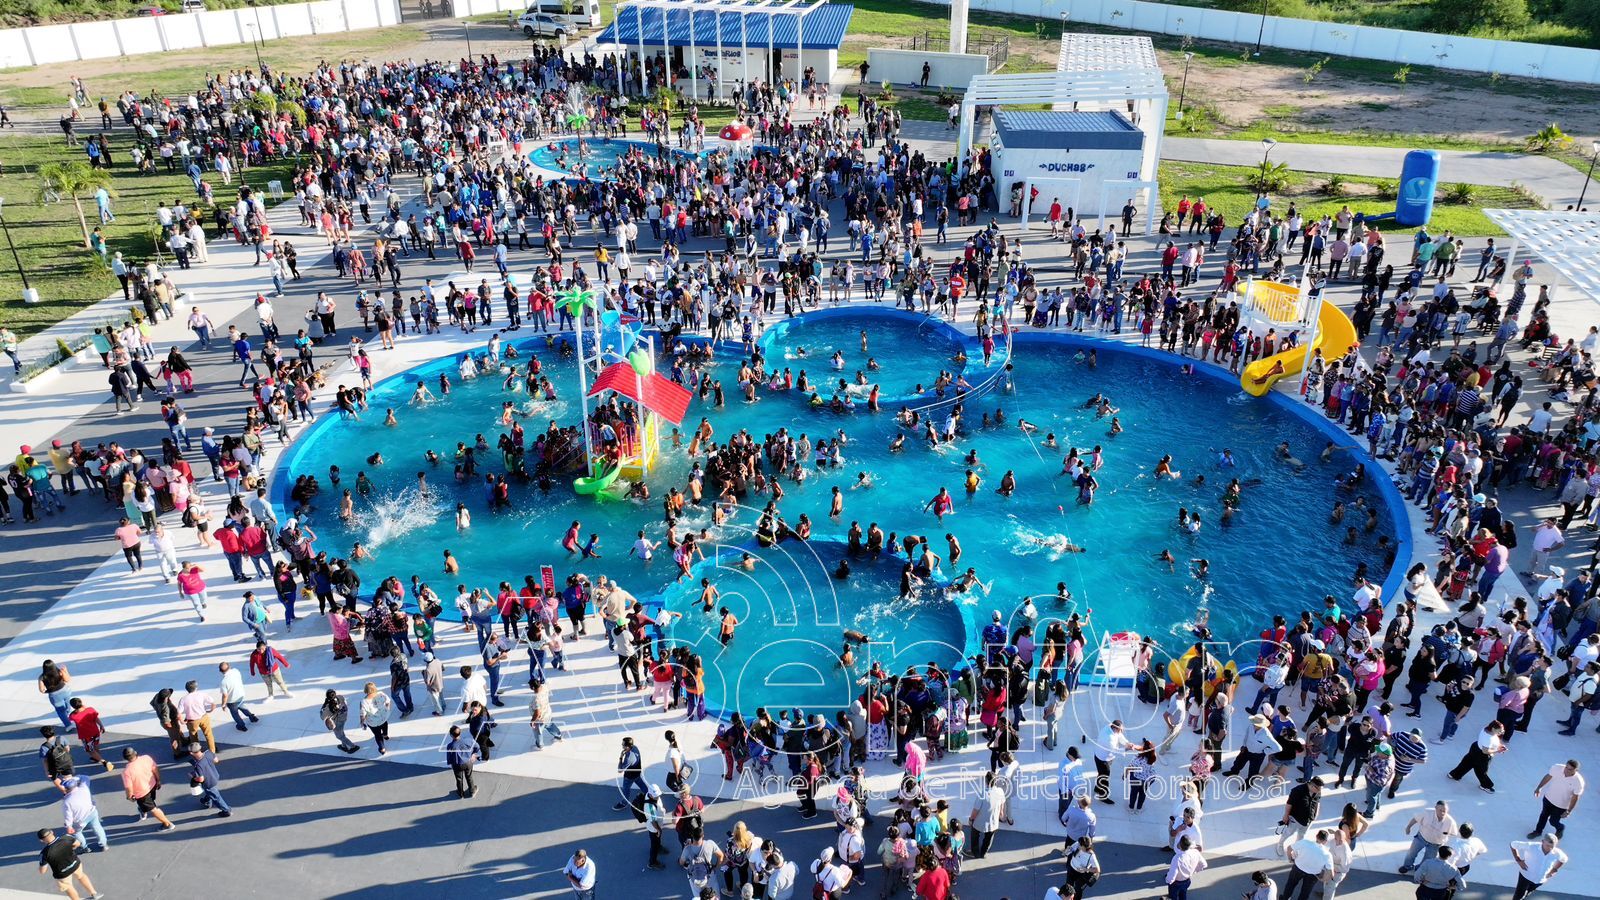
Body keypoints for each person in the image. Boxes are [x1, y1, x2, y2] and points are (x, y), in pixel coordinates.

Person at [120, 747, 176, 831]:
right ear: (135, 753)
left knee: (153, 809)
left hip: (142, 794)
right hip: (152, 785)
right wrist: (158, 780)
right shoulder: (146, 758)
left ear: (125, 758)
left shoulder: (126, 772)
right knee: (149, 801)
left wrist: (129, 796)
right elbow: (155, 769)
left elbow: (129, 787)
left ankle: (167, 824)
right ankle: (143, 810)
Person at [36, 829, 98, 900]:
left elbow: (42, 871)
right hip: (75, 864)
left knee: (68, 887)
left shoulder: (44, 853)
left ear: (41, 840)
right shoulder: (66, 837)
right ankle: (94, 893)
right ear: (52, 832)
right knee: (81, 876)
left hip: (62, 873)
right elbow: (77, 844)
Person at [1529, 759, 1583, 839]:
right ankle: (1537, 831)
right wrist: (1539, 787)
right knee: (1543, 815)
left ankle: (1560, 828)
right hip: (1548, 798)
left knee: (1553, 821)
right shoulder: (1557, 768)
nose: (1567, 770)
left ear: (1576, 770)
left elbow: (1575, 797)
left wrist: (1568, 811)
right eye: (1566, 767)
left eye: (1570, 769)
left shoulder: (1578, 782)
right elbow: (1548, 777)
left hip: (1561, 805)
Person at [1398, 801, 1456, 874]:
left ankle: (1420, 869)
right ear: (1435, 808)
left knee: (1428, 860)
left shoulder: (1450, 822)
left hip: (1435, 844)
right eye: (1440, 810)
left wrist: (1447, 834)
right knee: (1411, 853)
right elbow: (1416, 819)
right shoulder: (1427, 813)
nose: (1442, 813)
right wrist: (1408, 827)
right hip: (1421, 838)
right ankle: (1407, 866)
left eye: (1444, 811)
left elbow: (1454, 833)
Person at [59, 775, 108, 852]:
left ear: (66, 789)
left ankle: (84, 847)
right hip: (92, 812)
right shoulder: (84, 788)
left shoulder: (67, 801)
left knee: (77, 833)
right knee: (97, 827)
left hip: (79, 821)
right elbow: (85, 777)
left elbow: (68, 816)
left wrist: (69, 826)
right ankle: (104, 844)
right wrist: (72, 778)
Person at [1509, 834, 1567, 900]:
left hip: (1540, 880)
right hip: (1526, 876)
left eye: (1552, 846)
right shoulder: (1531, 846)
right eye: (1548, 845)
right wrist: (1518, 860)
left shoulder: (1557, 853)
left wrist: (1554, 869)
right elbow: (1513, 844)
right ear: (1542, 841)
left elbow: (1564, 859)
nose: (1550, 848)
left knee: (1527, 893)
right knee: (1518, 896)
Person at [1281, 829, 1332, 900]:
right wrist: (1322, 879)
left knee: (1290, 885)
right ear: (1325, 841)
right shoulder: (1327, 854)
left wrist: (1290, 859)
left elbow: (1289, 848)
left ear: (1316, 836)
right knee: (1305, 893)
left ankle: (1285, 898)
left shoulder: (1305, 843)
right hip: (1313, 875)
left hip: (1298, 868)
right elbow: (1331, 873)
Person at [966, 770, 1005, 858]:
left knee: (975, 836)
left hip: (980, 822)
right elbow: (1002, 808)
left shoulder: (982, 793)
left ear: (986, 781)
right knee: (988, 839)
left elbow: (976, 810)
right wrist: (1000, 816)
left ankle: (974, 852)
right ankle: (983, 853)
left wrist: (971, 819)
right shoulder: (1000, 792)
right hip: (993, 822)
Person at [187, 741, 231, 817]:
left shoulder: (198, 765)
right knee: (210, 792)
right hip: (215, 775)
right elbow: (216, 760)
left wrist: (193, 776)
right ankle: (206, 801)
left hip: (209, 782)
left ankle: (226, 810)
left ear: (191, 753)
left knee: (216, 797)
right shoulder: (208, 752)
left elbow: (201, 779)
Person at [1164, 835, 1205, 900]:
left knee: (1173, 896)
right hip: (1187, 881)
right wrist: (1194, 871)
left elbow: (1172, 875)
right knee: (1183, 893)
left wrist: (1168, 880)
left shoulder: (1177, 858)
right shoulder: (1195, 852)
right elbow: (1203, 864)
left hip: (1176, 883)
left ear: (1180, 845)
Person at [320, 689, 359, 753]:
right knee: (341, 732)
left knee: (339, 736)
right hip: (344, 717)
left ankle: (353, 746)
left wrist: (324, 705)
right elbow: (345, 704)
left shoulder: (327, 707)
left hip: (336, 722)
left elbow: (322, 717)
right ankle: (344, 746)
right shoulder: (340, 697)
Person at [445, 724, 479, 798]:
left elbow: (449, 757)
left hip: (457, 764)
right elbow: (477, 747)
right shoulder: (468, 740)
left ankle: (461, 793)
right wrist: (473, 754)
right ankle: (472, 791)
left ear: (451, 735)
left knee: (459, 779)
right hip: (468, 762)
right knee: (469, 776)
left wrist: (451, 763)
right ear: (460, 732)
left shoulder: (450, 746)